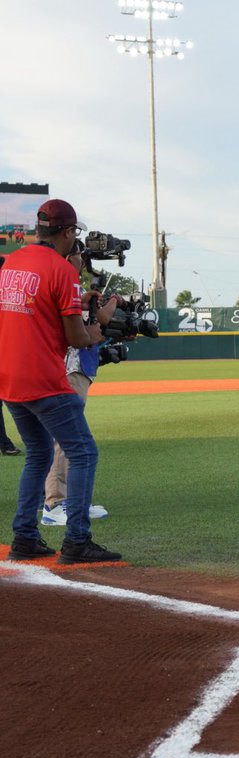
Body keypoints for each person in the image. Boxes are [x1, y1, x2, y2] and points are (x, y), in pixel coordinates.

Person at [1, 199, 120, 563]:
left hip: (8, 377)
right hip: (43, 378)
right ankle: (77, 541)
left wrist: (78, 300)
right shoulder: (61, 269)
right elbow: (76, 339)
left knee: (38, 453)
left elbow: (32, 306)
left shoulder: (11, 262)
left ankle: (24, 537)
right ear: (68, 232)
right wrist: (96, 332)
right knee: (84, 452)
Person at [42, 240, 119, 525]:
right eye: (78, 253)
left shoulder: (69, 283)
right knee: (65, 441)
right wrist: (111, 303)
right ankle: (54, 505)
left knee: (71, 442)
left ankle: (74, 502)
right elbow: (97, 320)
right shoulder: (64, 280)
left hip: (74, 366)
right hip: (69, 366)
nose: (82, 259)